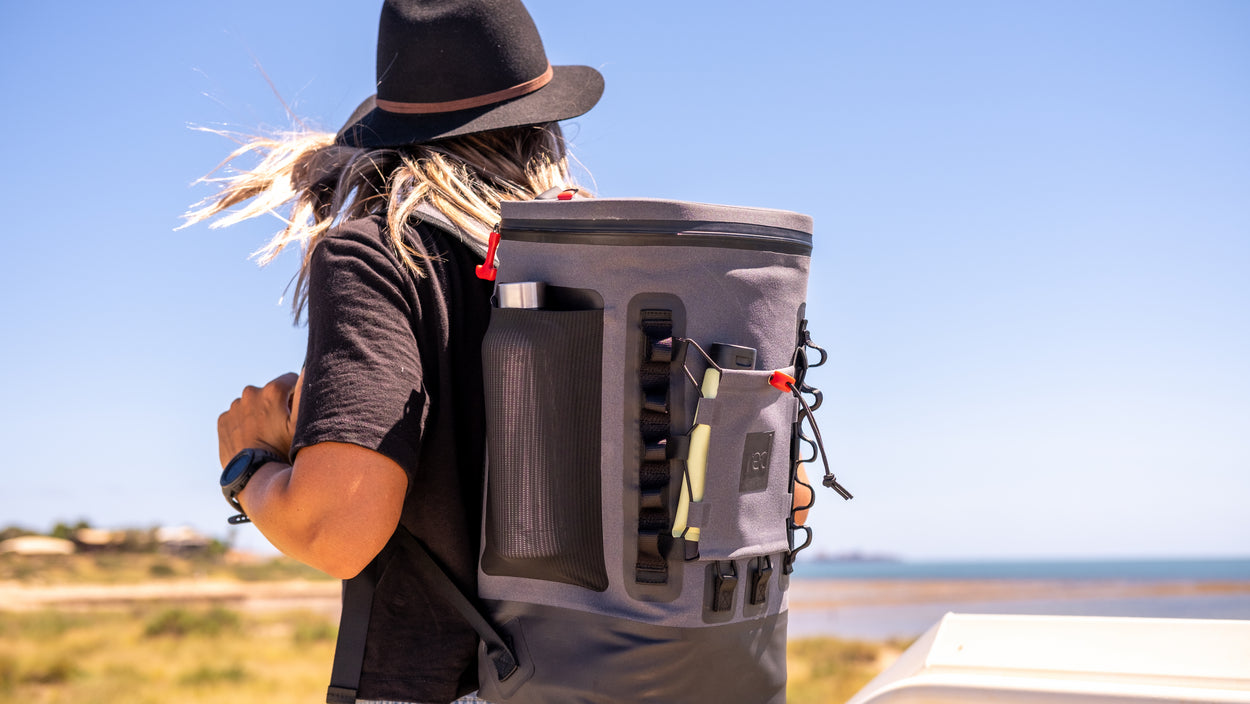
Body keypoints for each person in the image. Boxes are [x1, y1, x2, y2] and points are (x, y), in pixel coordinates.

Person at [186, 1, 604, 702]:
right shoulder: (623, 272)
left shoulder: (378, 253)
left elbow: (337, 529)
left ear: (394, 138)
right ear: (548, 130)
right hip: (629, 677)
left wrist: (250, 464)